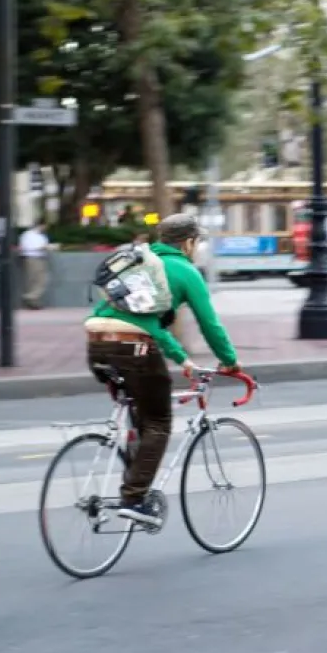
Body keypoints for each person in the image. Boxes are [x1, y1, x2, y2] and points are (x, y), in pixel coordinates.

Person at [83, 214, 240, 526]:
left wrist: (183, 360)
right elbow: (209, 324)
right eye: (198, 242)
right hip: (134, 346)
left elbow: (149, 324)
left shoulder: (141, 262)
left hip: (97, 340)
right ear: (189, 242)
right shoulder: (185, 270)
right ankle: (135, 497)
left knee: (141, 410)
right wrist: (230, 360)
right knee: (158, 422)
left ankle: (135, 471)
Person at [18, 222, 50, 309]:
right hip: (33, 257)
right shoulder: (28, 235)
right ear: (39, 225)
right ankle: (30, 297)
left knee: (37, 280)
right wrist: (47, 247)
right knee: (37, 279)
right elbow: (32, 247)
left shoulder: (41, 236)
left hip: (40, 258)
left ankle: (33, 301)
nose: (45, 228)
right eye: (44, 226)